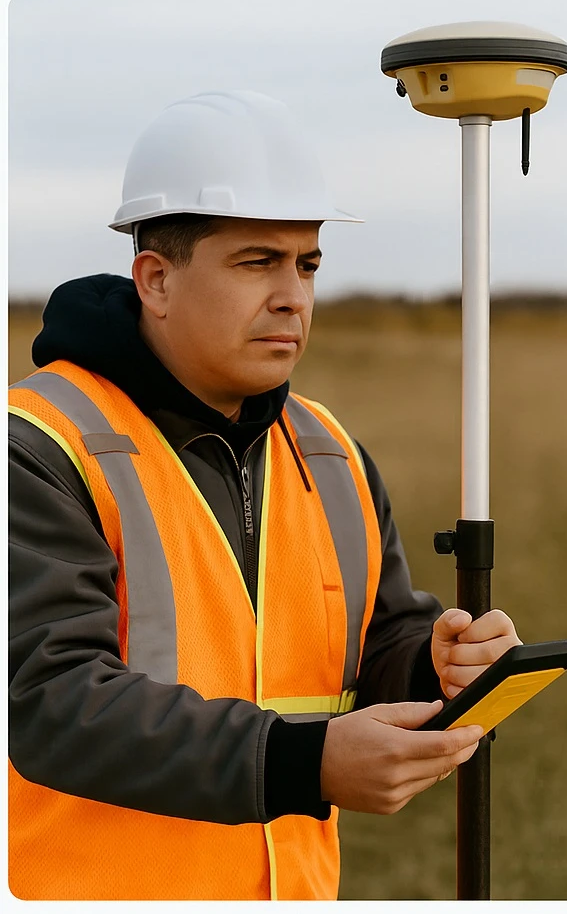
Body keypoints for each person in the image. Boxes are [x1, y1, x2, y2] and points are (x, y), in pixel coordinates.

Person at [8, 90, 522, 902]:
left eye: (307, 264)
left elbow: (374, 647)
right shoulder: (37, 446)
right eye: (257, 262)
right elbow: (49, 701)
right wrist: (303, 761)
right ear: (156, 280)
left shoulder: (330, 451)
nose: (293, 296)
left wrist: (436, 664)